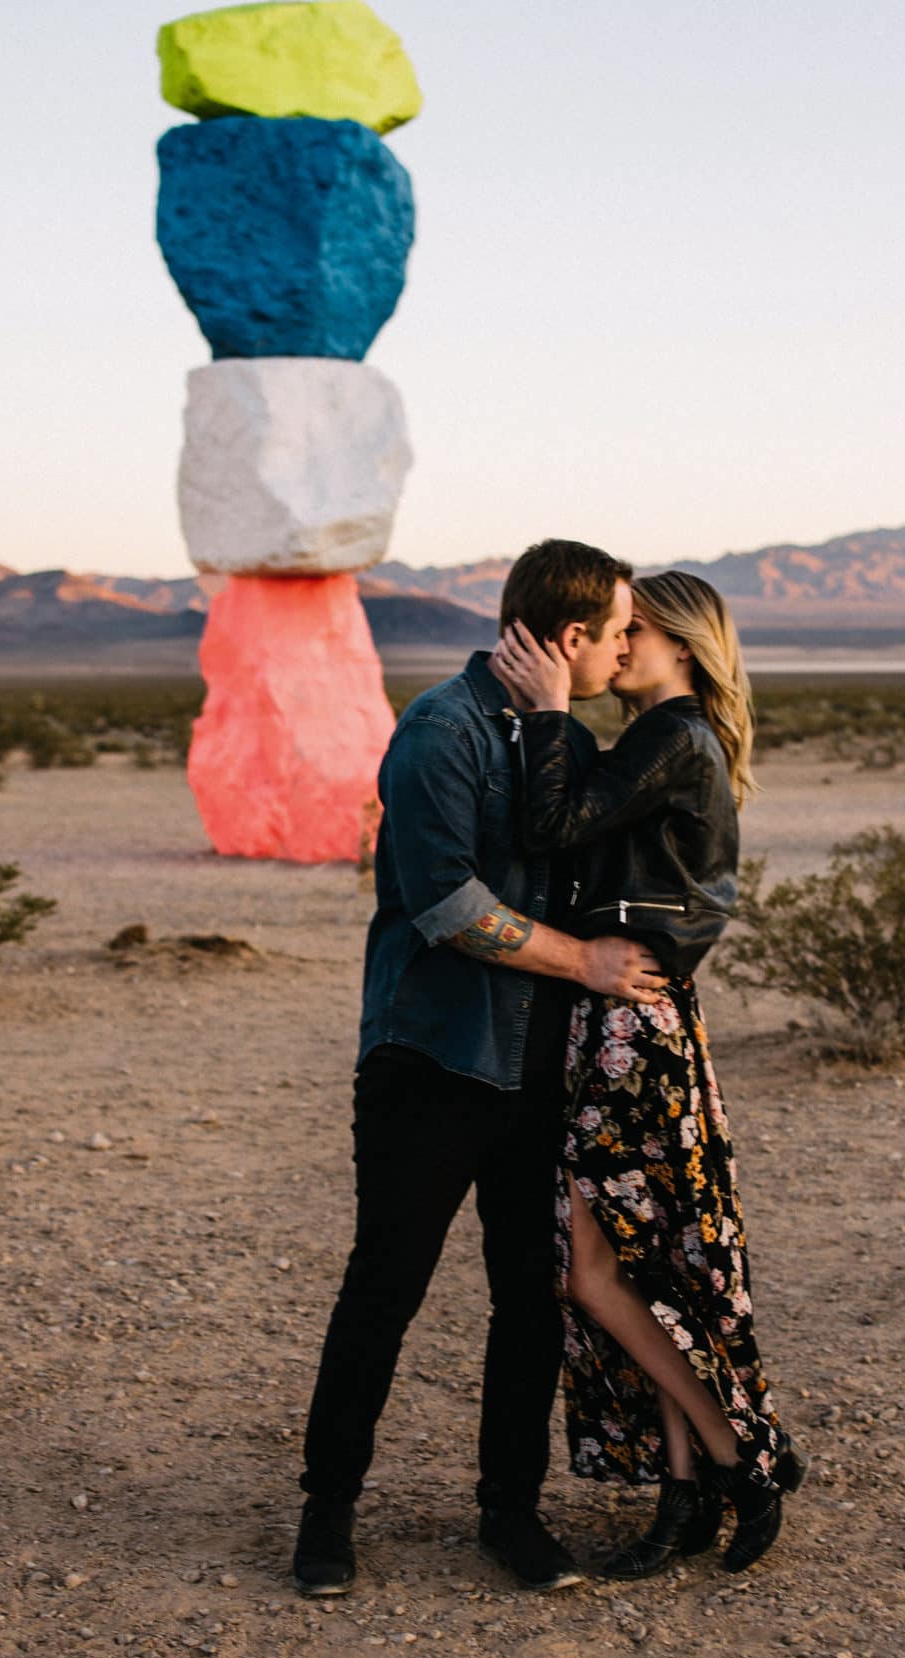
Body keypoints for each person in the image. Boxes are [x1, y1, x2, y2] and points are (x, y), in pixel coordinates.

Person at [292, 539, 670, 1599]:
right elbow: (448, 904)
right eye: (617, 631)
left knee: (530, 1299)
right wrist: (584, 962)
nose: (625, 649)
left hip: (538, 1066)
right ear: (571, 635)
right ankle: (327, 1508)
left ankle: (511, 1512)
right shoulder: (439, 730)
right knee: (386, 1286)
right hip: (434, 1056)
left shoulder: (563, 737)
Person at [487, 570, 803, 1579]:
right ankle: (686, 1487)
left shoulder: (674, 733)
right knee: (641, 1265)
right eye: (617, 631)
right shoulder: (664, 736)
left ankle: (740, 1454)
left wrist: (547, 711)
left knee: (593, 1271)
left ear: (685, 647)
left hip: (632, 1026)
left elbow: (550, 826)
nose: (617, 647)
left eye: (637, 632)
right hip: (620, 1018)